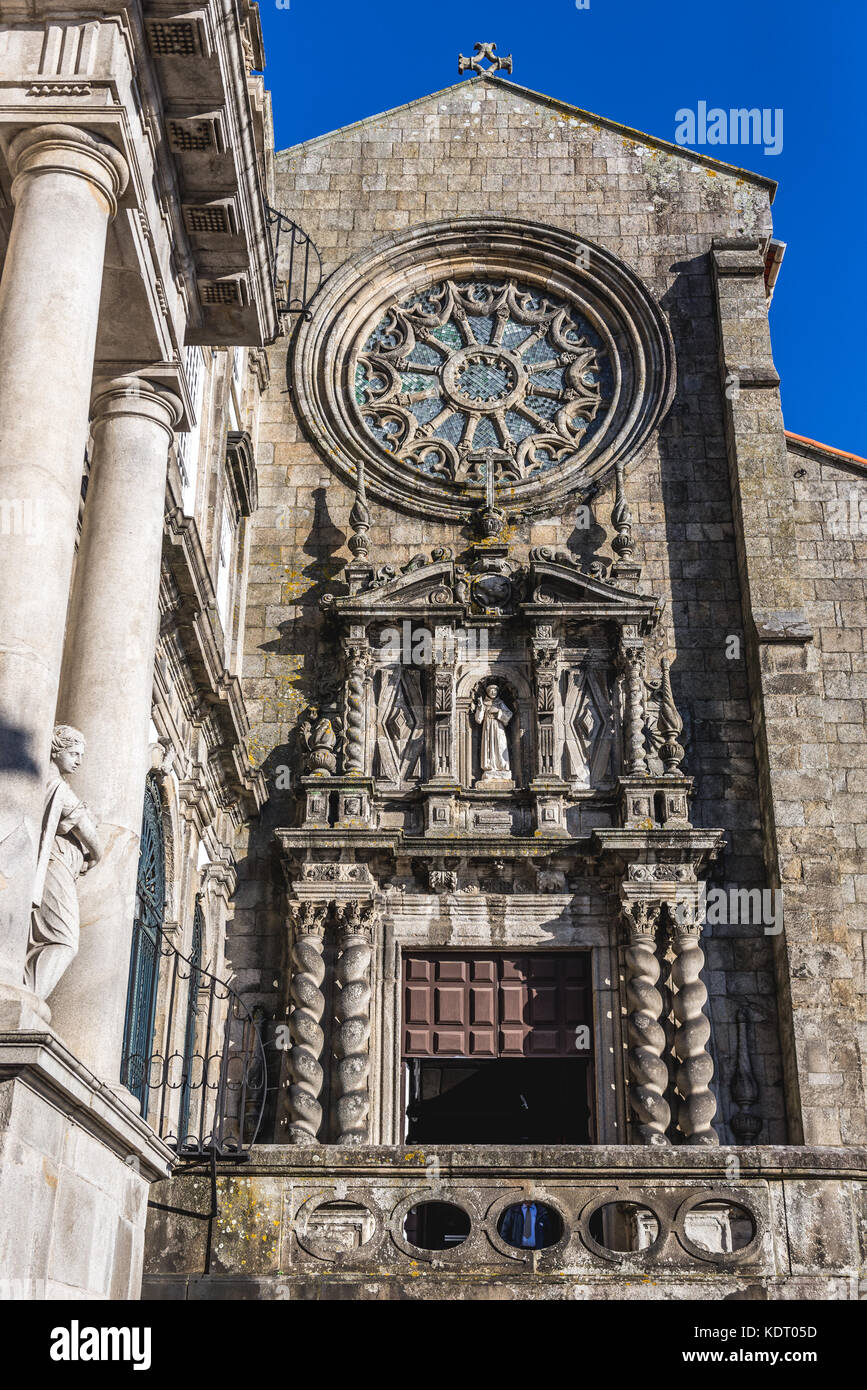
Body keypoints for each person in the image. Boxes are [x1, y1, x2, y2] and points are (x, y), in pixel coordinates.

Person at [24, 725, 102, 1001]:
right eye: (74, 753)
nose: (79, 760)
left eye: (81, 754)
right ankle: (29, 997)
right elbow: (89, 833)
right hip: (53, 866)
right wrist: (96, 855)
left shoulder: (54, 784)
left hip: (57, 867)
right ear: (56, 750)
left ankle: (28, 995)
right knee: (64, 940)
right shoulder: (54, 784)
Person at [473, 682, 512, 778]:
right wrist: (480, 707)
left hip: (499, 728)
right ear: (487, 692)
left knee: (500, 745)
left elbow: (509, 714)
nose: (493, 692)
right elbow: (478, 719)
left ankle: (502, 766)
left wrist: (498, 712)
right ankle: (490, 767)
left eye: (495, 690)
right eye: (491, 690)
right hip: (488, 728)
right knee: (489, 746)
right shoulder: (484, 703)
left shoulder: (500, 703)